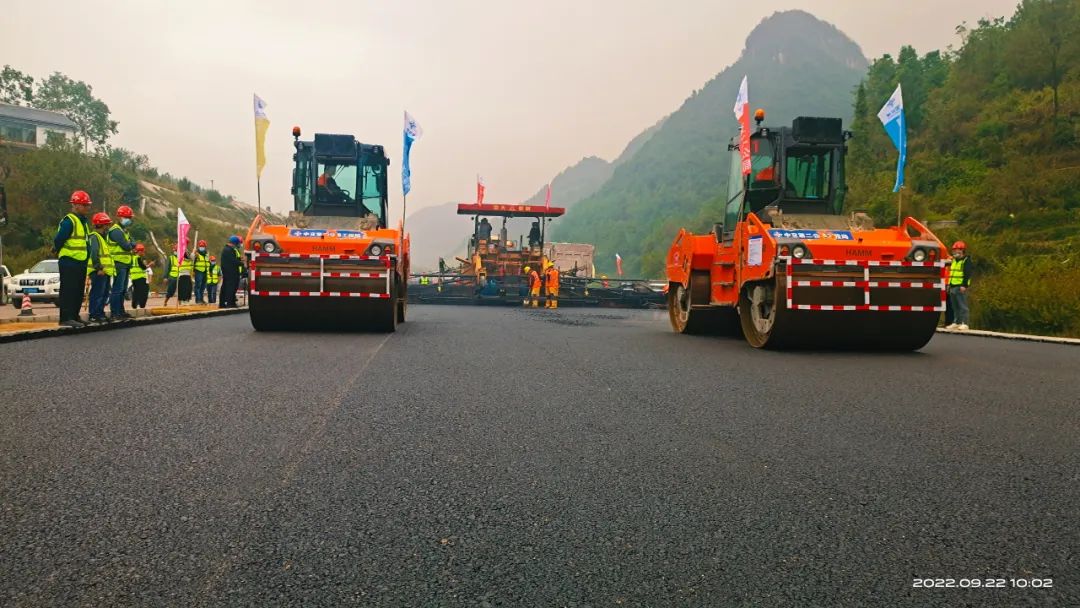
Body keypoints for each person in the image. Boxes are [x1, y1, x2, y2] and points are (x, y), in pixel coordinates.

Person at [52, 190, 93, 328]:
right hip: (69, 261)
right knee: (68, 290)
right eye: (85, 205)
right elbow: (59, 239)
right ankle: (65, 318)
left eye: (88, 205)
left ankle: (74, 316)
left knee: (78, 291)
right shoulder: (69, 221)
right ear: (76, 205)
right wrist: (58, 251)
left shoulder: (83, 222)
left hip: (80, 261)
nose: (87, 207)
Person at [106, 205, 136, 320]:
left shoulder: (124, 230)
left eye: (130, 217)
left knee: (123, 289)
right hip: (118, 263)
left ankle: (121, 311)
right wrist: (131, 244)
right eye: (128, 217)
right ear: (120, 217)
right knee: (117, 289)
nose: (129, 219)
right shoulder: (116, 231)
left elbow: (133, 242)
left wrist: (131, 243)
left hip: (125, 263)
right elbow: (127, 246)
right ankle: (115, 312)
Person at [86, 212, 115, 324]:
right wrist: (98, 268)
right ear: (102, 225)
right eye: (107, 224)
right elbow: (94, 254)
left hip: (105, 271)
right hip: (98, 271)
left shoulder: (102, 238)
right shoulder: (95, 237)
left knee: (104, 294)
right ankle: (94, 315)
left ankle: (100, 313)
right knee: (97, 293)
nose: (108, 227)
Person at [945, 241, 972, 331]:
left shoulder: (966, 260)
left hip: (960, 286)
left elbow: (967, 274)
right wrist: (949, 284)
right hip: (953, 286)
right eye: (955, 250)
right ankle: (957, 322)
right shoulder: (954, 260)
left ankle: (965, 323)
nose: (956, 252)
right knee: (955, 306)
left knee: (962, 306)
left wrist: (964, 285)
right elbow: (951, 273)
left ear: (963, 251)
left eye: (959, 250)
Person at [219, 235, 244, 308]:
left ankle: (227, 303)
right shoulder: (228, 250)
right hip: (230, 273)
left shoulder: (228, 249)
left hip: (229, 272)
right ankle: (229, 303)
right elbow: (233, 261)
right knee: (230, 288)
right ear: (234, 243)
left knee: (228, 287)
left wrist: (240, 260)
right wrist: (242, 263)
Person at [129, 243, 151, 309]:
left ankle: (134, 305)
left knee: (136, 291)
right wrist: (149, 265)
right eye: (142, 251)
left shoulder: (131, 258)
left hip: (134, 278)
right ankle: (142, 305)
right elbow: (143, 267)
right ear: (140, 251)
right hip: (141, 277)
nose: (143, 253)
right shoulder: (138, 258)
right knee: (144, 291)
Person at [163, 242, 179, 307]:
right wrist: (165, 277)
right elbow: (167, 268)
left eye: (177, 250)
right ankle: (165, 301)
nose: (176, 252)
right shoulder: (171, 258)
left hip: (180, 276)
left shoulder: (182, 258)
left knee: (182, 290)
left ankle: (180, 303)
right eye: (175, 250)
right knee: (170, 291)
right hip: (172, 277)